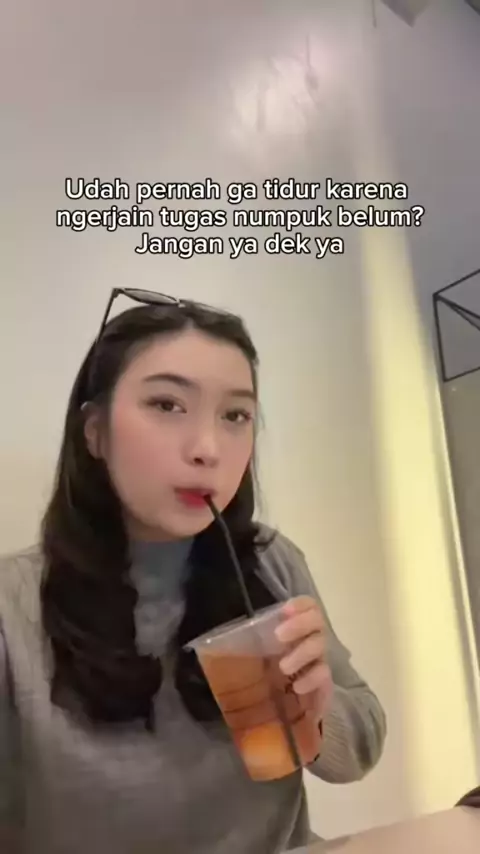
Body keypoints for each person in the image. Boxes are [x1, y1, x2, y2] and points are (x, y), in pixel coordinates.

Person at [0, 288, 387, 854]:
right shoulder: (13, 604)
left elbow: (360, 747)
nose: (208, 448)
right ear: (95, 431)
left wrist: (318, 711)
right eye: (166, 405)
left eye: (235, 416)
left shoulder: (270, 562)